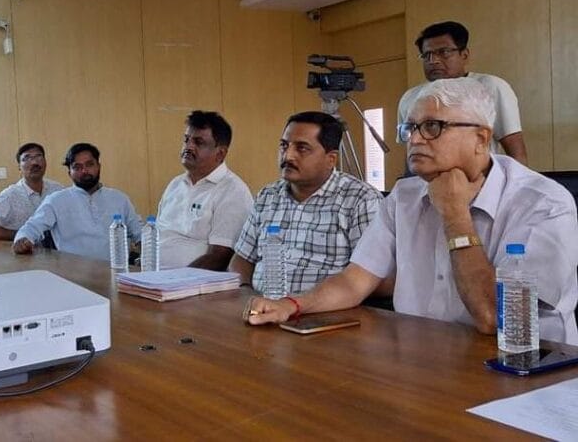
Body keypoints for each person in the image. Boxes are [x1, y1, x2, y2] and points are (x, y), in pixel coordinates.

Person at [247, 78, 578, 344]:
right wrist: (292, 305)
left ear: (481, 138)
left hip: (520, 370)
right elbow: (354, 281)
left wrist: (455, 215)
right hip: (423, 358)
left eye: (432, 127)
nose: (415, 139)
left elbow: (494, 318)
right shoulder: (404, 195)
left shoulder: (544, 203)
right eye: (410, 128)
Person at [199, 112, 382, 291]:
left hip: (323, 308)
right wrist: (245, 294)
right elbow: (242, 259)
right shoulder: (268, 196)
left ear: (331, 159)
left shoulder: (360, 200)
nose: (288, 156)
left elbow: (372, 275)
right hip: (263, 303)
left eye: (302, 148)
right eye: (284, 146)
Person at [398, 20, 528, 164]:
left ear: (464, 55)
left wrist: (520, 179)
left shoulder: (490, 86)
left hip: (479, 176)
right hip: (426, 178)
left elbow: (516, 153)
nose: (433, 61)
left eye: (444, 52)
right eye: (427, 55)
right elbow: (411, 152)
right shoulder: (410, 97)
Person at [154, 111, 252, 269]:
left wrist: (178, 278)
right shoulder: (175, 185)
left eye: (198, 142)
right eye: (186, 140)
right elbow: (159, 236)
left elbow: (220, 257)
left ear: (220, 153)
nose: (188, 147)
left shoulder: (233, 191)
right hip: (152, 275)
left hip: (191, 281)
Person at [13, 143, 142, 261]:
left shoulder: (119, 198)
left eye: (89, 164)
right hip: (72, 273)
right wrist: (22, 240)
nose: (84, 171)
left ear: (99, 166)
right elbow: (32, 227)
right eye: (77, 167)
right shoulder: (57, 200)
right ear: (70, 172)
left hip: (116, 271)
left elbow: (139, 232)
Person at [0, 142, 64, 241]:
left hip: (57, 249)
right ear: (19, 167)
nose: (34, 162)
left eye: (39, 156)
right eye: (27, 158)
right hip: (24, 250)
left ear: (45, 162)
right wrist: (24, 235)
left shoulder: (58, 190)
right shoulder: (10, 195)